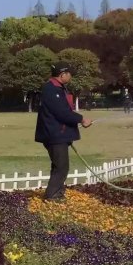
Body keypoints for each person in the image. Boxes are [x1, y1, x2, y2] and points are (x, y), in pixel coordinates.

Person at [35, 61, 92, 202]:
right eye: (69, 73)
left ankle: (56, 193)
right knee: (61, 167)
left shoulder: (59, 88)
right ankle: (52, 196)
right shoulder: (51, 90)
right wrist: (81, 119)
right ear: (62, 74)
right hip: (54, 134)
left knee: (59, 166)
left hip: (58, 134)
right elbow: (62, 113)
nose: (71, 76)